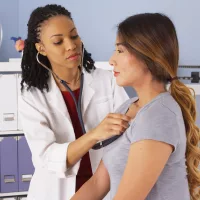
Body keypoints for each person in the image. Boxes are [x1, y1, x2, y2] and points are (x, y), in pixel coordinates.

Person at [72, 13, 200, 200]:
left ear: (147, 55)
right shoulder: (126, 108)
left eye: (120, 51)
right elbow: (98, 183)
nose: (111, 60)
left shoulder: (159, 114)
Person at [19, 4, 130, 200]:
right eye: (58, 41)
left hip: (104, 188)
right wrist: (95, 135)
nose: (70, 45)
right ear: (41, 48)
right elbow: (46, 157)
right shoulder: (33, 95)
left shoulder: (108, 81)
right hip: (55, 191)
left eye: (74, 36)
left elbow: (127, 136)